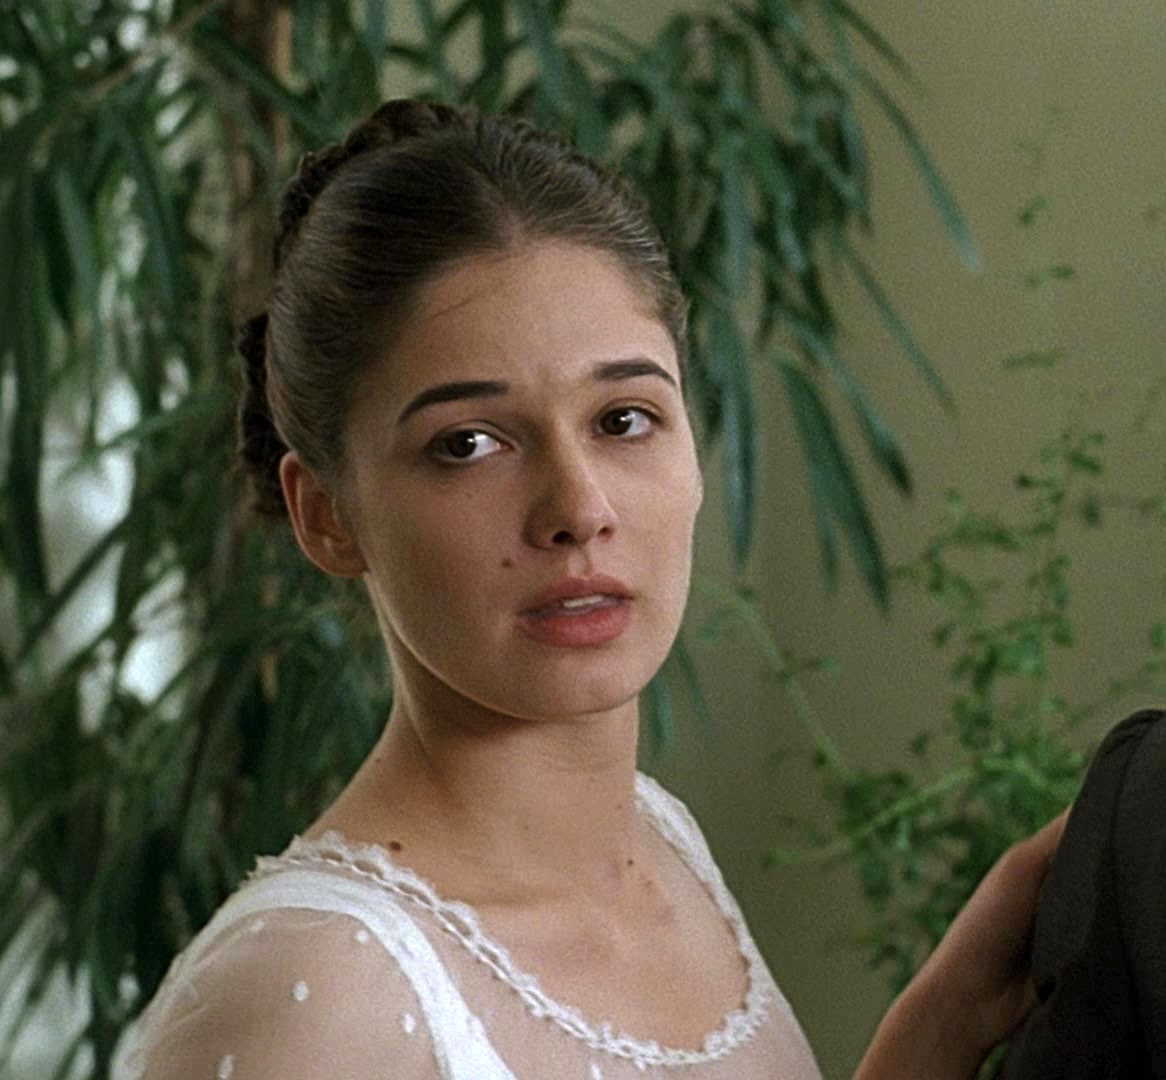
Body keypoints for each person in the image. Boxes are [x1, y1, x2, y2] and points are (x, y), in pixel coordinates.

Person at [113, 98, 1067, 1080]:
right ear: (325, 514)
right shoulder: (311, 1000)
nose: (578, 508)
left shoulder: (661, 845)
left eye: (622, 419)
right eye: (467, 443)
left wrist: (942, 1022)